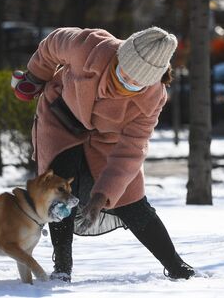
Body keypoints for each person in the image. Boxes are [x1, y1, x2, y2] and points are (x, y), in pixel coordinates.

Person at [12, 26, 195, 282]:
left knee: (131, 200)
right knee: (59, 186)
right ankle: (63, 266)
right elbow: (52, 45)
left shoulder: (153, 97)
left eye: (137, 83)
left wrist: (101, 196)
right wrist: (35, 76)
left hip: (107, 138)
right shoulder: (88, 47)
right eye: (124, 74)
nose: (127, 84)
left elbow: (132, 147)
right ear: (119, 56)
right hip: (60, 118)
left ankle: (176, 266)